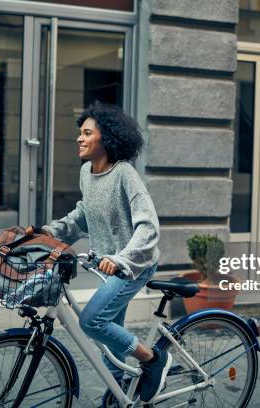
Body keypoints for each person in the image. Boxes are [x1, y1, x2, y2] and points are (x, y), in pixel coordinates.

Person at [42, 101, 171, 403]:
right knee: (112, 335)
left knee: (92, 322)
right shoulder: (87, 172)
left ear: (107, 139)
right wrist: (49, 232)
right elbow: (84, 215)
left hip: (134, 264)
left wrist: (121, 259)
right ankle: (116, 396)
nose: (79, 138)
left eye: (87, 133)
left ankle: (153, 360)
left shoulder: (125, 175)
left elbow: (149, 228)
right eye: (80, 132)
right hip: (108, 266)